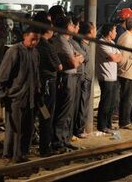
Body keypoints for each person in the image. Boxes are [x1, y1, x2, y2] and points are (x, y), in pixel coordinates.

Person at [0, 26, 41, 163]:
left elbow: (36, 75)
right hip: (15, 98)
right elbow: (2, 76)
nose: (34, 42)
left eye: (37, 40)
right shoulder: (14, 52)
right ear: (24, 36)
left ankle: (22, 154)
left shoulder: (35, 53)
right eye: (32, 39)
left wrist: (38, 92)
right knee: (13, 130)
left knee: (27, 128)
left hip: (30, 98)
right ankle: (9, 155)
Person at [51, 16, 84, 151]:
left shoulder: (67, 41)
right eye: (71, 25)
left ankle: (65, 139)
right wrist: (78, 58)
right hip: (66, 78)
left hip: (72, 76)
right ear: (66, 26)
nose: (74, 27)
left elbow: (81, 56)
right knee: (64, 110)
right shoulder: (60, 41)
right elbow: (74, 62)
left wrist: (78, 57)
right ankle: (58, 141)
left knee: (70, 111)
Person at [33, 17, 62, 156]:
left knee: (37, 115)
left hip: (37, 84)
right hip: (48, 86)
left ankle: (35, 145)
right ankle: (45, 148)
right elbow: (58, 66)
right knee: (46, 116)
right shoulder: (47, 46)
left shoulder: (35, 44)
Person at [96, 23, 122, 133]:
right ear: (109, 32)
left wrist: (115, 57)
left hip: (113, 77)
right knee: (105, 103)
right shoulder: (101, 43)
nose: (116, 33)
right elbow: (113, 57)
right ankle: (102, 125)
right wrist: (115, 56)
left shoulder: (112, 43)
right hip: (105, 78)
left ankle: (108, 124)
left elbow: (120, 57)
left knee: (112, 103)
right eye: (115, 31)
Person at [117, 15, 132, 129]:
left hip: (129, 73)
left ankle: (124, 120)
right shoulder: (127, 39)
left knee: (127, 98)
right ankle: (124, 122)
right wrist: (123, 69)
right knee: (127, 99)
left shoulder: (128, 36)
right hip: (127, 73)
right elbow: (122, 59)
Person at [73, 22, 95, 139]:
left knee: (84, 104)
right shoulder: (80, 44)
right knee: (82, 104)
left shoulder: (87, 44)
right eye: (94, 29)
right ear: (90, 31)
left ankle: (80, 128)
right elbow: (83, 58)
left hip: (88, 77)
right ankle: (79, 129)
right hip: (84, 78)